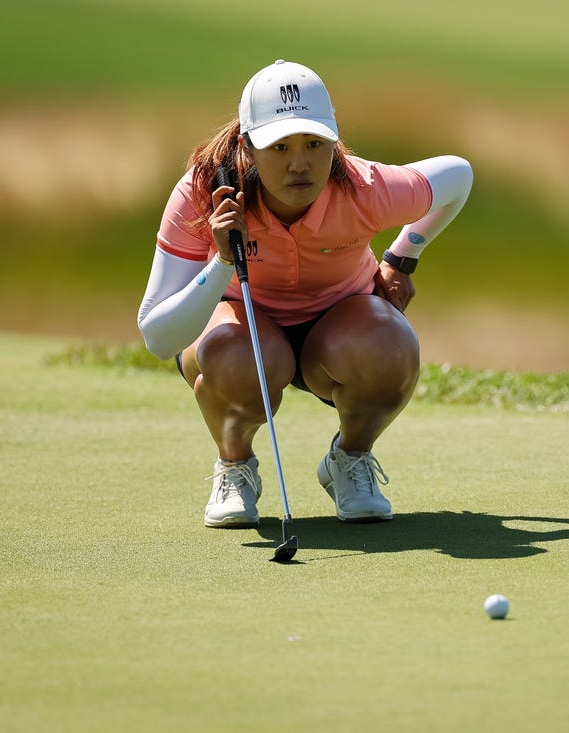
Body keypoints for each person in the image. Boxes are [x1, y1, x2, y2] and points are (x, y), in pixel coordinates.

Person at [137, 60, 472, 528]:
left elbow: (458, 176)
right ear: (248, 147)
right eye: (280, 146)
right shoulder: (203, 192)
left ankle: (349, 461)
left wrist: (401, 258)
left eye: (315, 144)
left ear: (333, 142)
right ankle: (235, 466)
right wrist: (222, 262)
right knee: (233, 354)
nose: (300, 163)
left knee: (390, 345)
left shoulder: (363, 188)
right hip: (242, 328)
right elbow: (158, 336)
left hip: (338, 329)